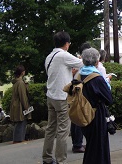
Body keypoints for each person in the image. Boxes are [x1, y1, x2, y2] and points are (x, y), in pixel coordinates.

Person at [42, 31, 83, 164]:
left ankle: (47, 158)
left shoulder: (49, 56)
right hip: (62, 97)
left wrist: (69, 71)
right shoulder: (63, 55)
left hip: (51, 96)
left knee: (50, 129)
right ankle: (61, 160)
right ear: (66, 44)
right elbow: (82, 63)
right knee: (63, 131)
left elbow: (56, 73)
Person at [79, 47, 113, 164]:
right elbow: (108, 98)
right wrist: (107, 82)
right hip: (96, 115)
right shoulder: (96, 78)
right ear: (97, 62)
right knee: (99, 146)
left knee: (91, 144)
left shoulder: (79, 75)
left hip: (82, 113)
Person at [69, 42, 90, 154]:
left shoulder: (76, 61)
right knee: (78, 119)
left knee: (76, 119)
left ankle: (77, 143)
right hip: (78, 93)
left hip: (74, 92)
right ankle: (77, 144)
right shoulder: (80, 62)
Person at [10, 65, 31, 144]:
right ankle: (19, 139)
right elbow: (23, 97)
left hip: (15, 105)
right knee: (21, 121)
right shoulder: (20, 83)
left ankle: (18, 138)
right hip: (19, 106)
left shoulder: (15, 82)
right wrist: (27, 107)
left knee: (19, 122)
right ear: (23, 72)